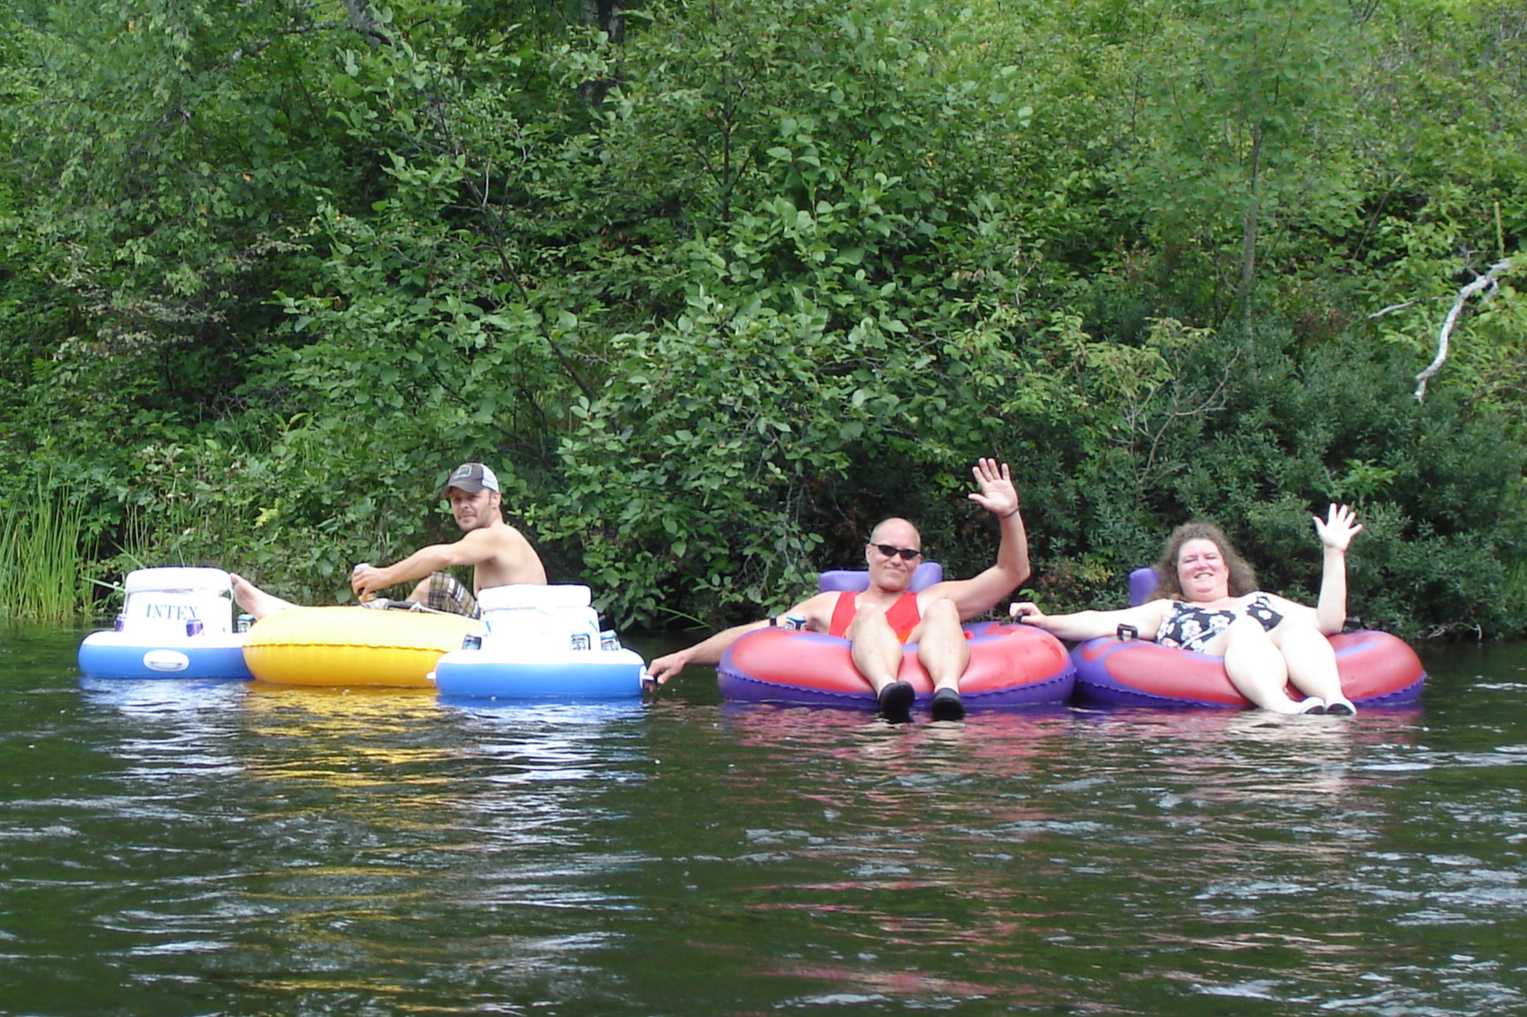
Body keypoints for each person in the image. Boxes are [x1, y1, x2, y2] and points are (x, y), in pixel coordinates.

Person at [647, 458, 1030, 722]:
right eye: (887, 550)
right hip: (861, 717)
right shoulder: (828, 606)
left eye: (908, 554)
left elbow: (1012, 571)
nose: (897, 559)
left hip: (936, 703)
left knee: (945, 609)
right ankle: (887, 691)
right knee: (868, 614)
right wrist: (687, 655)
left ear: (918, 562)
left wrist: (1008, 515)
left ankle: (948, 693)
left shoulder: (932, 597)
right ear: (869, 553)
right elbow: (760, 631)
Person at [1010, 504, 1364, 715]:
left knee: (1297, 628)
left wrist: (1334, 553)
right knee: (1245, 629)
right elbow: (1100, 621)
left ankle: (1333, 700)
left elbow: (1328, 622)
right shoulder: (1169, 610)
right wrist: (1045, 620)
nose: (1202, 565)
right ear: (1176, 573)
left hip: (1271, 655)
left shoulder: (1261, 601)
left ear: (1227, 567)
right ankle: (1282, 709)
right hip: (1216, 654)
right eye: (1190, 561)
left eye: (1210, 558)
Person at [230, 462, 547, 620]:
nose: (463, 506)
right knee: (426, 590)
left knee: (437, 584)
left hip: (520, 639)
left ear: (495, 499)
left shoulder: (499, 537)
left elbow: (445, 556)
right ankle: (378, 627)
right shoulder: (489, 542)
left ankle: (294, 616)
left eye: (472, 498)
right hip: (502, 632)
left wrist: (382, 576)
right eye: (456, 499)